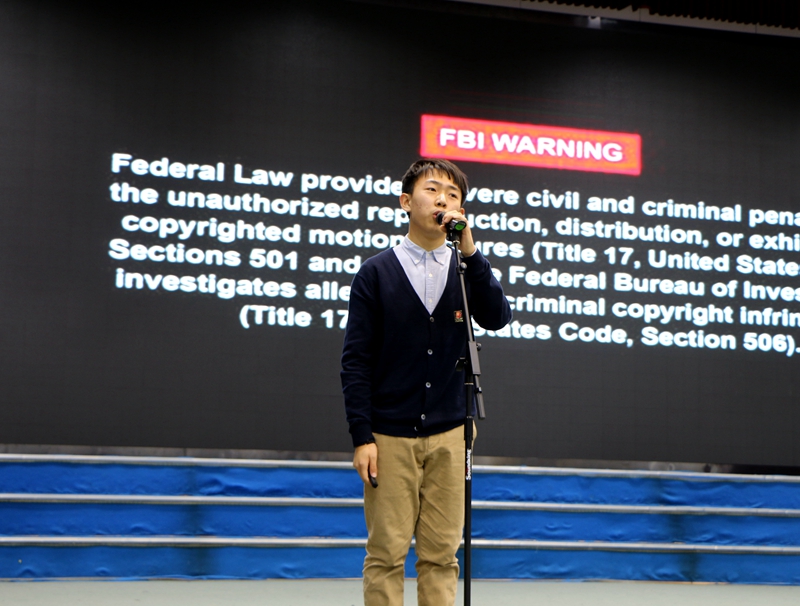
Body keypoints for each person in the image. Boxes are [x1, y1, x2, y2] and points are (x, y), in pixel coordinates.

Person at [341, 158, 512, 606]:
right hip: (389, 434)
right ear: (406, 201)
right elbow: (355, 360)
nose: (443, 200)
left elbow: (497, 316)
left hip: (452, 432)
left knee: (441, 555)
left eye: (453, 195)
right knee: (386, 554)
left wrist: (471, 252)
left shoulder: (464, 268)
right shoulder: (376, 272)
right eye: (432, 190)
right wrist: (362, 436)